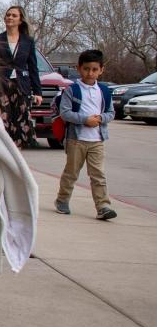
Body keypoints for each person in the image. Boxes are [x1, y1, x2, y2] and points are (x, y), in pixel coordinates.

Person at [54, 49, 117, 220]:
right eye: (86, 69)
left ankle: (103, 206)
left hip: (97, 140)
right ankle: (62, 200)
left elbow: (111, 112)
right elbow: (65, 113)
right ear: (79, 68)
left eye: (95, 69)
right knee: (71, 173)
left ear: (101, 70)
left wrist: (101, 118)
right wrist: (85, 119)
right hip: (76, 140)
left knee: (98, 175)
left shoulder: (104, 91)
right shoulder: (71, 90)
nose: (90, 73)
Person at [0, 6, 42, 148]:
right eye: (8, 15)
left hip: (21, 86)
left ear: (20, 20)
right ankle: (3, 149)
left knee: (21, 120)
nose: (10, 17)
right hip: (2, 86)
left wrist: (38, 92)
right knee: (3, 118)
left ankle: (18, 152)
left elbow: (33, 67)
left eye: (14, 15)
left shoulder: (28, 41)